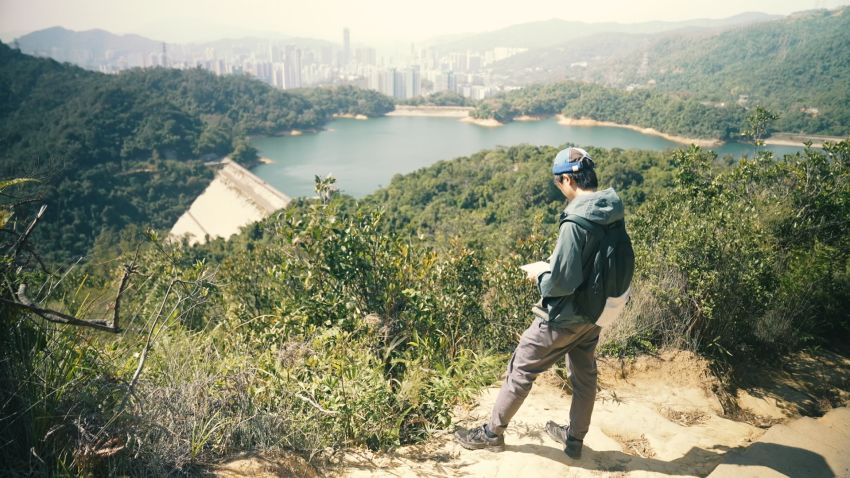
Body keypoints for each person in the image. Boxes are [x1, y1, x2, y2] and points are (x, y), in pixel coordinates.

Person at [454, 146, 626, 459]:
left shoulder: (576, 221)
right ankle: (574, 440)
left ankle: (492, 433)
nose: (559, 188)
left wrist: (540, 277)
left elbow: (561, 281)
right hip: (597, 311)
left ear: (567, 180)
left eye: (558, 182)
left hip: (566, 315)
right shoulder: (612, 210)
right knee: (585, 376)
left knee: (521, 366)